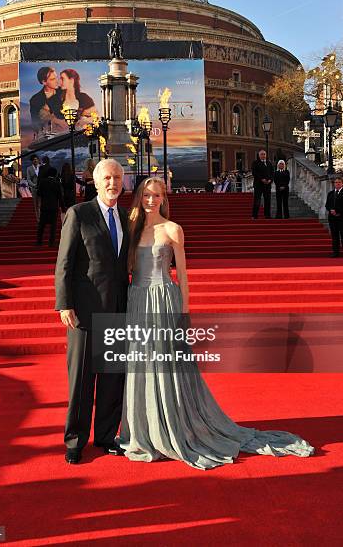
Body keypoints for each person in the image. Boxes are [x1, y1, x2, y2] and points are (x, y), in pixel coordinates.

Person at [118, 177, 314, 469]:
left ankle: (175, 425)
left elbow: (182, 276)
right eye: (146, 195)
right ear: (138, 197)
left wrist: (183, 313)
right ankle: (143, 431)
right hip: (137, 300)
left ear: (163, 198)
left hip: (164, 300)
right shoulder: (130, 229)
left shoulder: (173, 230)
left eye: (156, 195)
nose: (150, 200)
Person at [55, 159, 129, 464]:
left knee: (113, 377)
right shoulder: (78, 214)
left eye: (117, 178)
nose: (113, 183)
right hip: (83, 313)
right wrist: (64, 303)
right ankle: (75, 440)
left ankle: (106, 435)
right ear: (95, 183)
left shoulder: (125, 215)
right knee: (82, 381)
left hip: (117, 309)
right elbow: (64, 263)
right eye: (107, 178)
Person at [29, 67, 63, 132]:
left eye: (56, 77)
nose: (57, 81)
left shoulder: (63, 92)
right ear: (44, 82)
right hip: (47, 136)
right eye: (52, 79)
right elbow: (35, 123)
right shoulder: (35, 100)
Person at [37, 167, 62, 247]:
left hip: (44, 206)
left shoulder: (43, 182)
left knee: (42, 225)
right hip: (54, 206)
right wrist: (62, 206)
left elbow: (39, 193)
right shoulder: (57, 183)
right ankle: (51, 242)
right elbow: (60, 196)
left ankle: (39, 241)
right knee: (53, 226)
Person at [251, 149, 274, 219]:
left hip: (267, 185)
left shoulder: (269, 163)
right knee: (257, 200)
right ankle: (254, 215)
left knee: (268, 200)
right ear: (259, 155)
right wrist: (262, 179)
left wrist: (270, 179)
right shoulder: (255, 163)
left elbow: (272, 173)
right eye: (262, 154)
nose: (263, 156)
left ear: (266, 155)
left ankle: (267, 215)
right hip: (258, 185)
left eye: (264, 154)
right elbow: (254, 173)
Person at [325, 175, 343, 258]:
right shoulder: (330, 193)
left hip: (341, 217)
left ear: (342, 183)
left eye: (339, 182)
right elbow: (327, 205)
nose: (337, 184)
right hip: (332, 218)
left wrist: (338, 211)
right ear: (334, 184)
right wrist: (331, 210)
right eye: (336, 182)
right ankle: (335, 253)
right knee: (334, 236)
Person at [26, 155, 41, 221]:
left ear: (38, 160)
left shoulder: (41, 167)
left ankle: (42, 217)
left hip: (41, 188)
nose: (35, 160)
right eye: (34, 159)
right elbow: (28, 179)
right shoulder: (29, 168)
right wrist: (34, 185)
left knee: (41, 204)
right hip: (34, 188)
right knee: (36, 204)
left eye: (36, 159)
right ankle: (38, 218)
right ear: (32, 161)